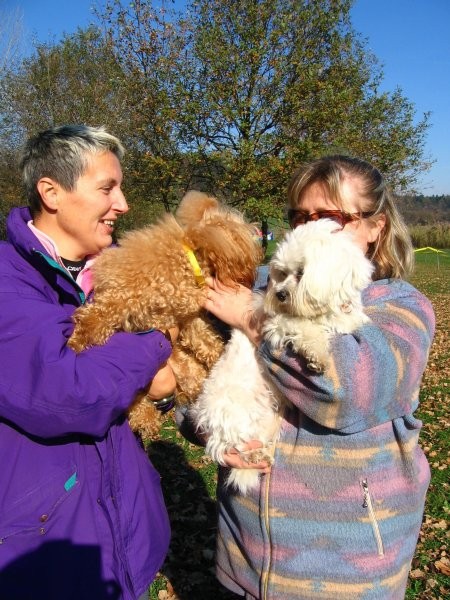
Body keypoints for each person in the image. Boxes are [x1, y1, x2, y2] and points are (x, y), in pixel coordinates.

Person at [200, 155, 435, 599]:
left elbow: (348, 392)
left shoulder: (402, 307)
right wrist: (212, 431)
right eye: (301, 216)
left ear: (374, 226)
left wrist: (255, 321)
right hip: (245, 559)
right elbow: (200, 375)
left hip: (350, 573)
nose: (311, 228)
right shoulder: (264, 285)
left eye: (330, 217)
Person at [0, 125, 177, 600]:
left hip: (124, 542)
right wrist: (157, 340)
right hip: (44, 551)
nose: (122, 204)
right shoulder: (7, 280)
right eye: (107, 188)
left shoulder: (116, 272)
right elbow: (70, 391)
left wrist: (155, 394)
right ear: (52, 193)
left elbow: (144, 388)